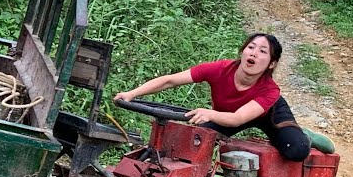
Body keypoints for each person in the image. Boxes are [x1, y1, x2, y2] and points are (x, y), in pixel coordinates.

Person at [112, 33, 311, 161]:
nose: (254, 53)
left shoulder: (270, 90)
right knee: (189, 147)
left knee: (297, 150)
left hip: (268, 115)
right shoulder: (219, 69)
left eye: (262, 51)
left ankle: (303, 135)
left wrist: (209, 113)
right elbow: (170, 81)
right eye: (251, 47)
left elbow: (239, 119)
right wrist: (132, 94)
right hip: (226, 115)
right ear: (243, 51)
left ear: (271, 64)